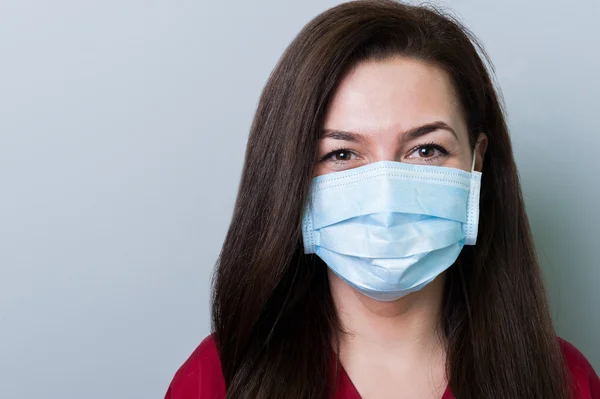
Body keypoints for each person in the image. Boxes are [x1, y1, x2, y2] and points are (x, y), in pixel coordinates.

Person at [165, 0, 600, 398]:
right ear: (292, 174)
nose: (386, 194)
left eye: (426, 150)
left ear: (477, 162)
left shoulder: (564, 380)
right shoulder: (219, 379)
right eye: (342, 153)